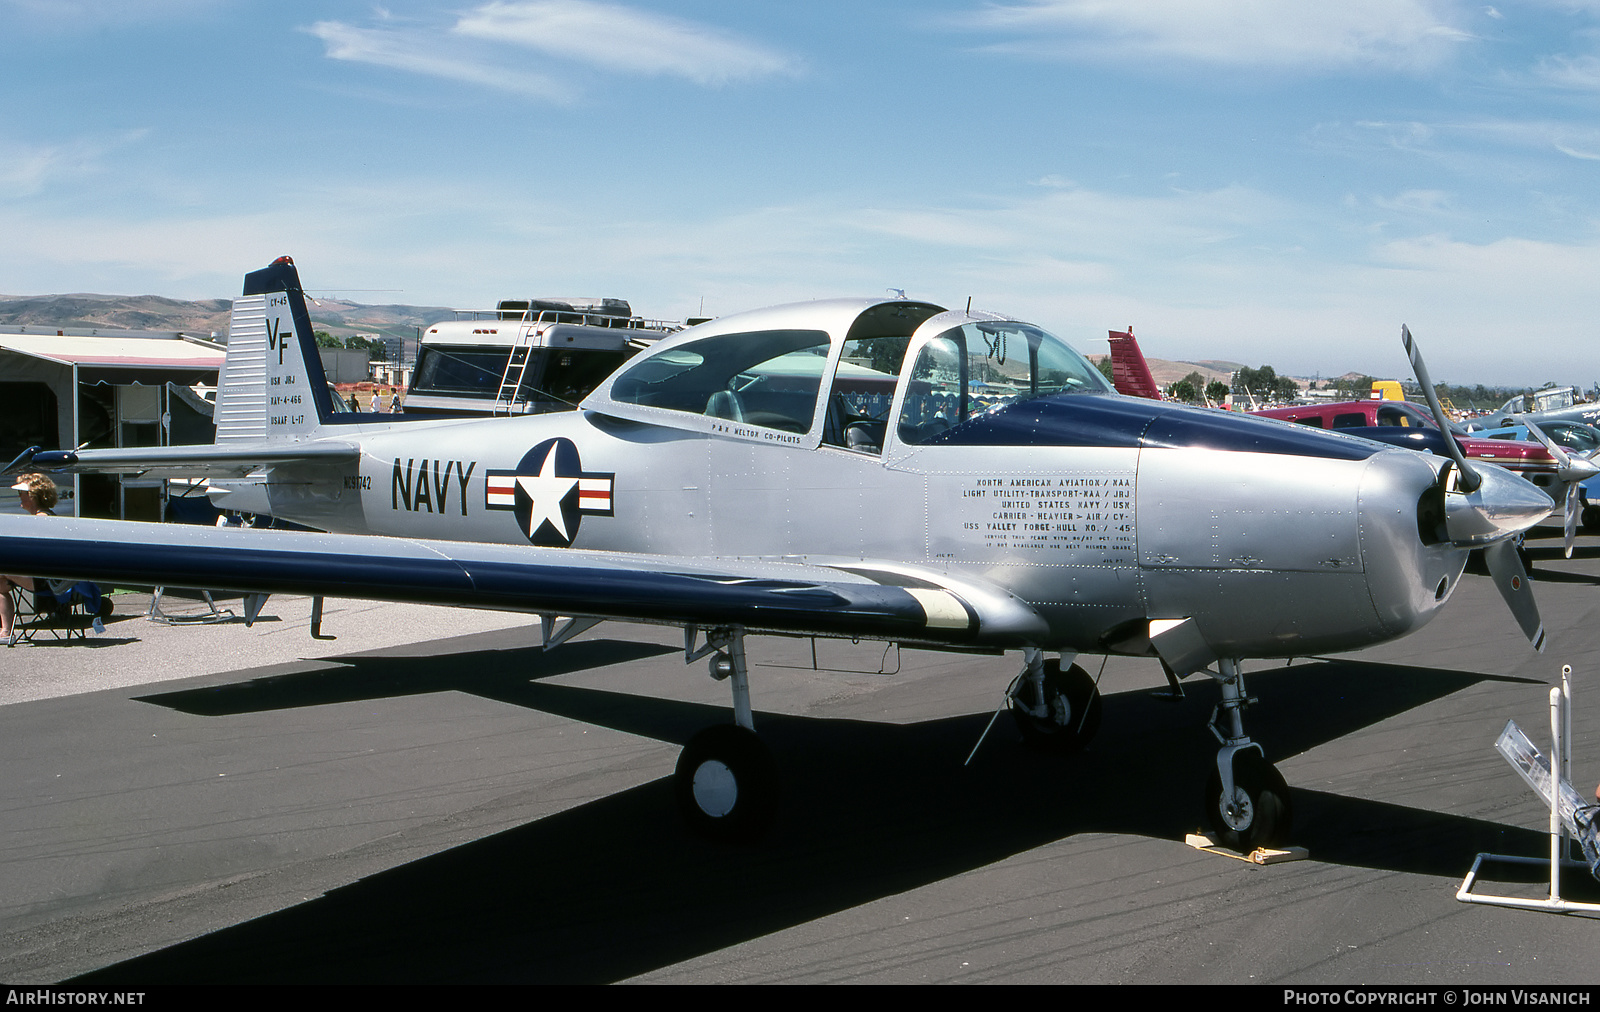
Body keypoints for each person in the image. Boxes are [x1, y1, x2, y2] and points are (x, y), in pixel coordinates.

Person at [1, 473, 57, 644]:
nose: (20, 497)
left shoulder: (41, 520)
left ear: (33, 497)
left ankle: (5, 631)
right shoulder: (47, 516)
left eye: (22, 494)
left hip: (48, 580)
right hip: (50, 576)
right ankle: (5, 630)